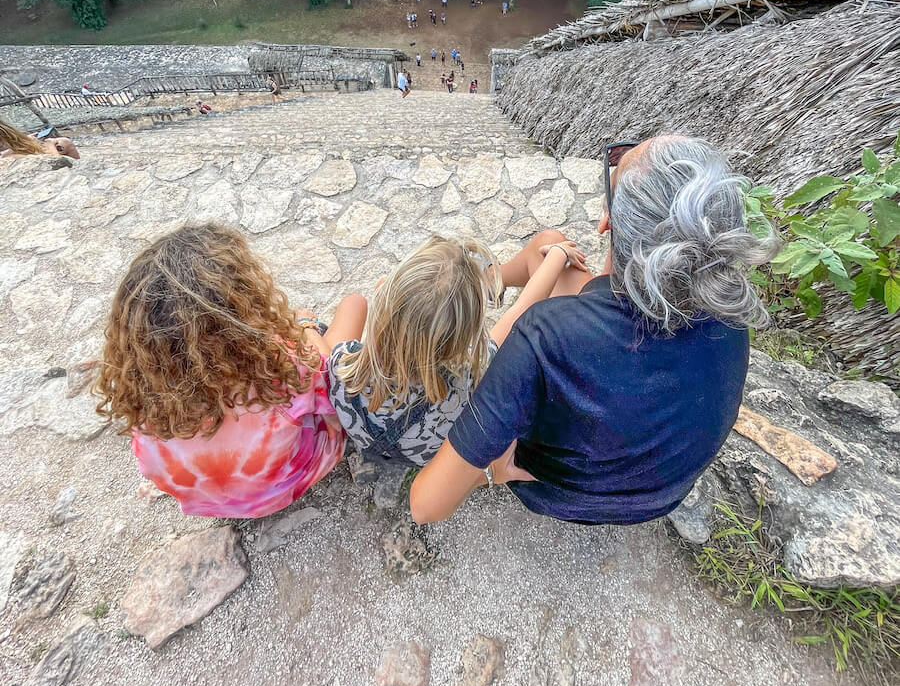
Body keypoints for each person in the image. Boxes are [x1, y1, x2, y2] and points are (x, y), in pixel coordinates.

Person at [409, 136, 778, 527]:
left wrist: (491, 473)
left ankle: (481, 286)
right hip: (656, 501)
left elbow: (426, 505)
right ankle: (490, 282)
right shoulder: (732, 318)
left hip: (555, 493)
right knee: (551, 246)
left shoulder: (544, 335)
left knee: (548, 248)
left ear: (607, 221)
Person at [94, 223, 367, 517]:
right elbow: (329, 376)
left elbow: (152, 468)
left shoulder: (145, 405)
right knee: (354, 304)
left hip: (218, 504)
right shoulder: (281, 371)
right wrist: (305, 327)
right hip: (291, 481)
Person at [327, 234, 585, 467]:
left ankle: (486, 284)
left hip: (367, 436)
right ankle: (491, 283)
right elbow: (520, 312)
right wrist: (558, 254)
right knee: (548, 241)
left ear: (385, 297)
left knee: (352, 304)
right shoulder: (472, 373)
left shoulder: (341, 362)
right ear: (466, 335)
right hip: (425, 455)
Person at [0, 120, 80, 160]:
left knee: (65, 142)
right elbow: (53, 163)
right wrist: (50, 145)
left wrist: (26, 140)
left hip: (15, 150)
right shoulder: (13, 157)